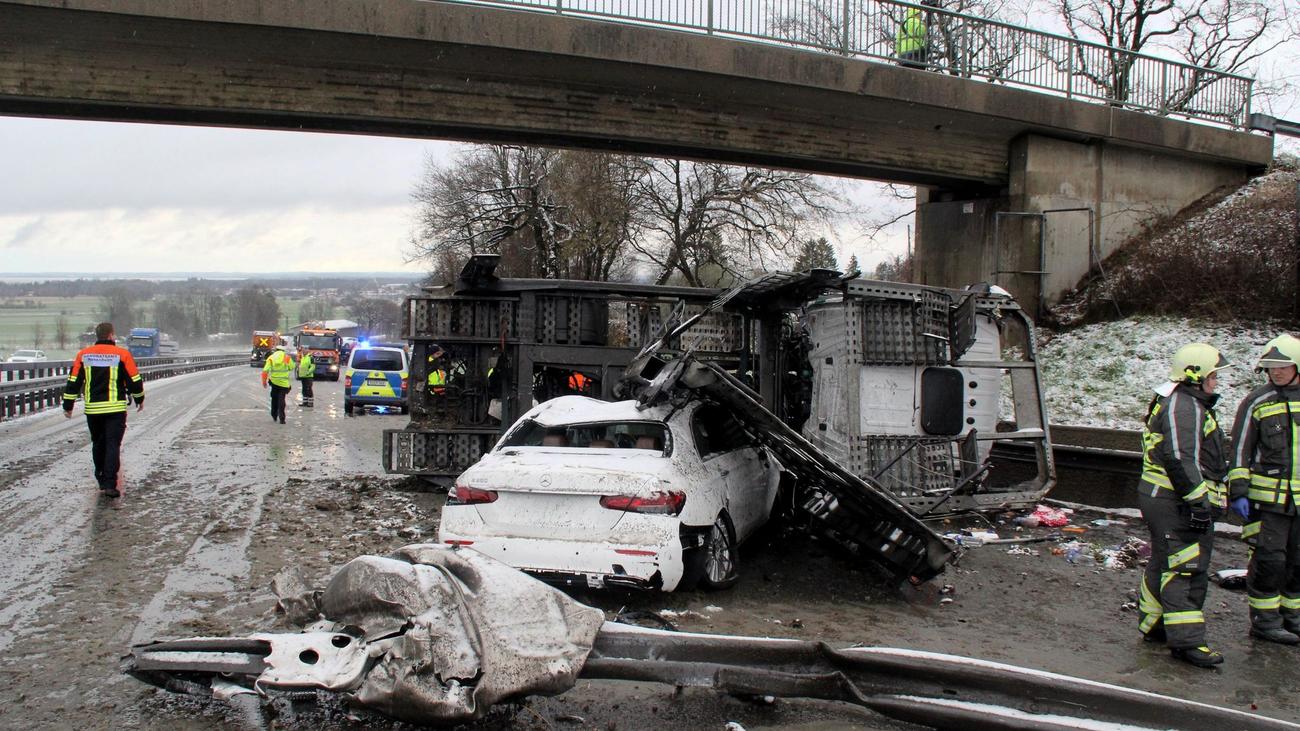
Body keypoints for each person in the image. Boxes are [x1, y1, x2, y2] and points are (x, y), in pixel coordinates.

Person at [1135, 343, 1230, 667]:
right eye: (1213, 375)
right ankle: (1187, 643)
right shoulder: (1184, 406)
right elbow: (1179, 458)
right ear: (1196, 375)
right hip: (1174, 501)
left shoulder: (1182, 402)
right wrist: (1198, 502)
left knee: (1167, 561)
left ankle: (1154, 623)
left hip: (1168, 498)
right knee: (1185, 568)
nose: (1216, 382)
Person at [1228, 334, 1300, 645]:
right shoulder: (1257, 402)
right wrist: (1239, 491)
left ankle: (1293, 617)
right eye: (1271, 367)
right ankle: (1264, 621)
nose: (1277, 372)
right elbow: (1240, 450)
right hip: (1266, 502)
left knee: (1297, 562)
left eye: (1282, 366)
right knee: (1270, 561)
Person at [62, 321, 144, 498]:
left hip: (93, 410)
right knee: (112, 444)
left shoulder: (83, 355)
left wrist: (67, 406)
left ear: (97, 335)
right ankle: (109, 484)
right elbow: (134, 380)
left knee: (98, 443)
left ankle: (100, 477)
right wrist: (139, 399)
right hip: (115, 408)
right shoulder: (122, 354)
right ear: (111, 335)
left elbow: (73, 382)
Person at [895, 0, 937, 70]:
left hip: (903, 56)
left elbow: (897, 43)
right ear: (916, 14)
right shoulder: (915, 21)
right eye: (920, 14)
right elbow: (921, 32)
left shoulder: (903, 25)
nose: (921, 15)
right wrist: (924, 25)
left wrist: (899, 56)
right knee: (918, 73)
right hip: (915, 53)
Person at [261, 344, 294, 424]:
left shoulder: (271, 358)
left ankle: (274, 415)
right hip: (284, 383)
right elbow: (292, 367)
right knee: (281, 399)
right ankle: (282, 418)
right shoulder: (286, 357)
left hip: (274, 382)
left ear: (276, 350)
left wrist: (264, 382)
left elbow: (265, 371)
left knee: (274, 399)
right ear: (283, 351)